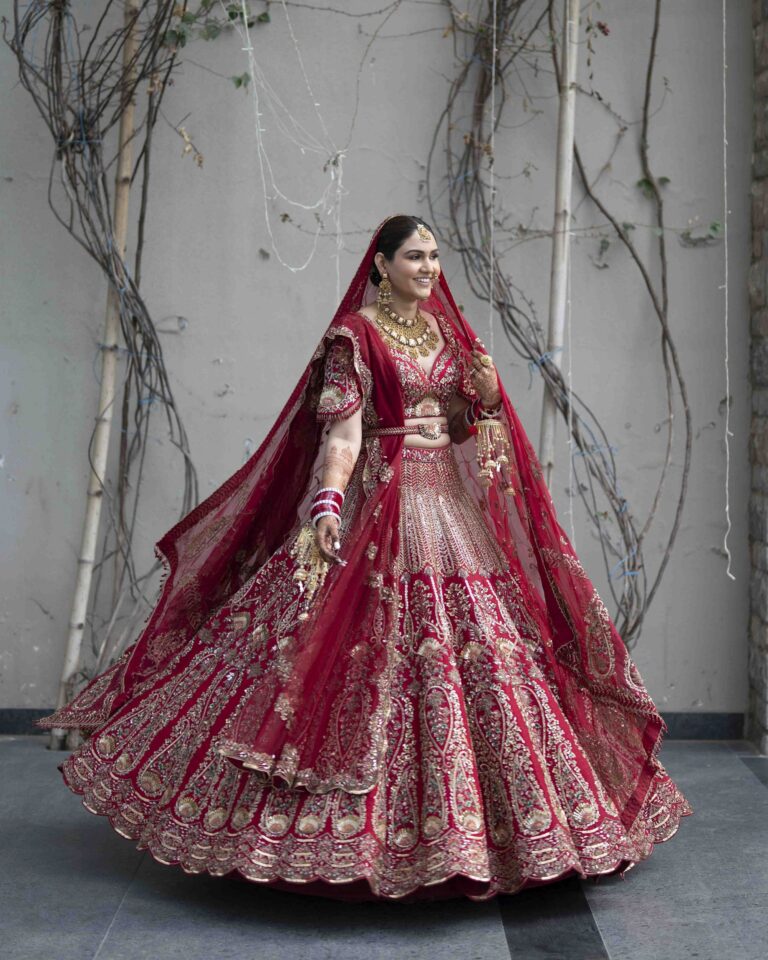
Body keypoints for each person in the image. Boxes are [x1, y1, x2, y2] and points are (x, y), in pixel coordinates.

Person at [37, 214, 693, 903]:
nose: (430, 267)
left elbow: (471, 431)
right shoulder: (356, 336)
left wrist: (489, 397)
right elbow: (343, 437)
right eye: (415, 255)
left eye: (436, 255)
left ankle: (488, 837)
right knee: (350, 658)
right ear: (381, 265)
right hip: (382, 508)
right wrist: (324, 506)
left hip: (451, 512)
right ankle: (335, 844)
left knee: (482, 656)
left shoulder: (448, 334)